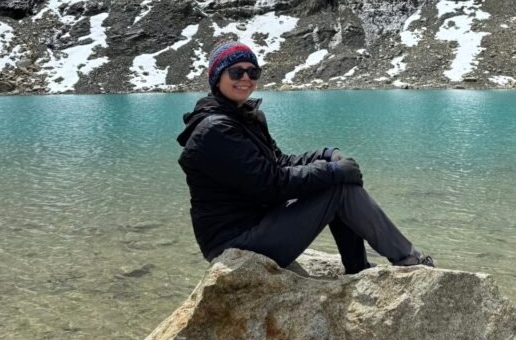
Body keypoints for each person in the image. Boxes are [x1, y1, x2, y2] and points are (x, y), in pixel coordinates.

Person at [177, 40, 434, 273]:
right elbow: (272, 185)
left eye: (252, 72)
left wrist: (325, 155)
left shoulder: (242, 117)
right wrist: (333, 171)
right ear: (216, 78)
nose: (246, 78)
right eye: (236, 72)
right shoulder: (216, 130)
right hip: (234, 243)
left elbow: (279, 162)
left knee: (336, 177)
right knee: (339, 188)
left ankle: (358, 268)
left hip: (256, 224)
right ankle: (407, 260)